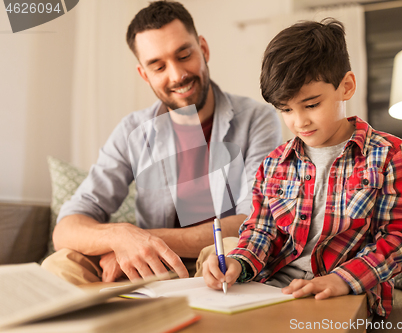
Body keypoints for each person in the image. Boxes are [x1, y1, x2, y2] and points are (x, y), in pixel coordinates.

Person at [42, 0, 281, 284]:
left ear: (203, 49)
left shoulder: (258, 119)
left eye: (184, 55)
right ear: (144, 74)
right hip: (149, 266)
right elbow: (67, 227)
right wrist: (120, 237)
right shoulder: (132, 130)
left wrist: (141, 240)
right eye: (158, 66)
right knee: (61, 263)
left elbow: (250, 222)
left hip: (218, 261)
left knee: (229, 248)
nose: (177, 75)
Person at [203, 18, 402, 318]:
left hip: (347, 291)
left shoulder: (388, 154)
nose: (299, 121)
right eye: (286, 109)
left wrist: (342, 280)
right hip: (273, 291)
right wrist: (238, 262)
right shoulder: (274, 164)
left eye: (311, 105)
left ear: (346, 87)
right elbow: (261, 230)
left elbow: (399, 237)